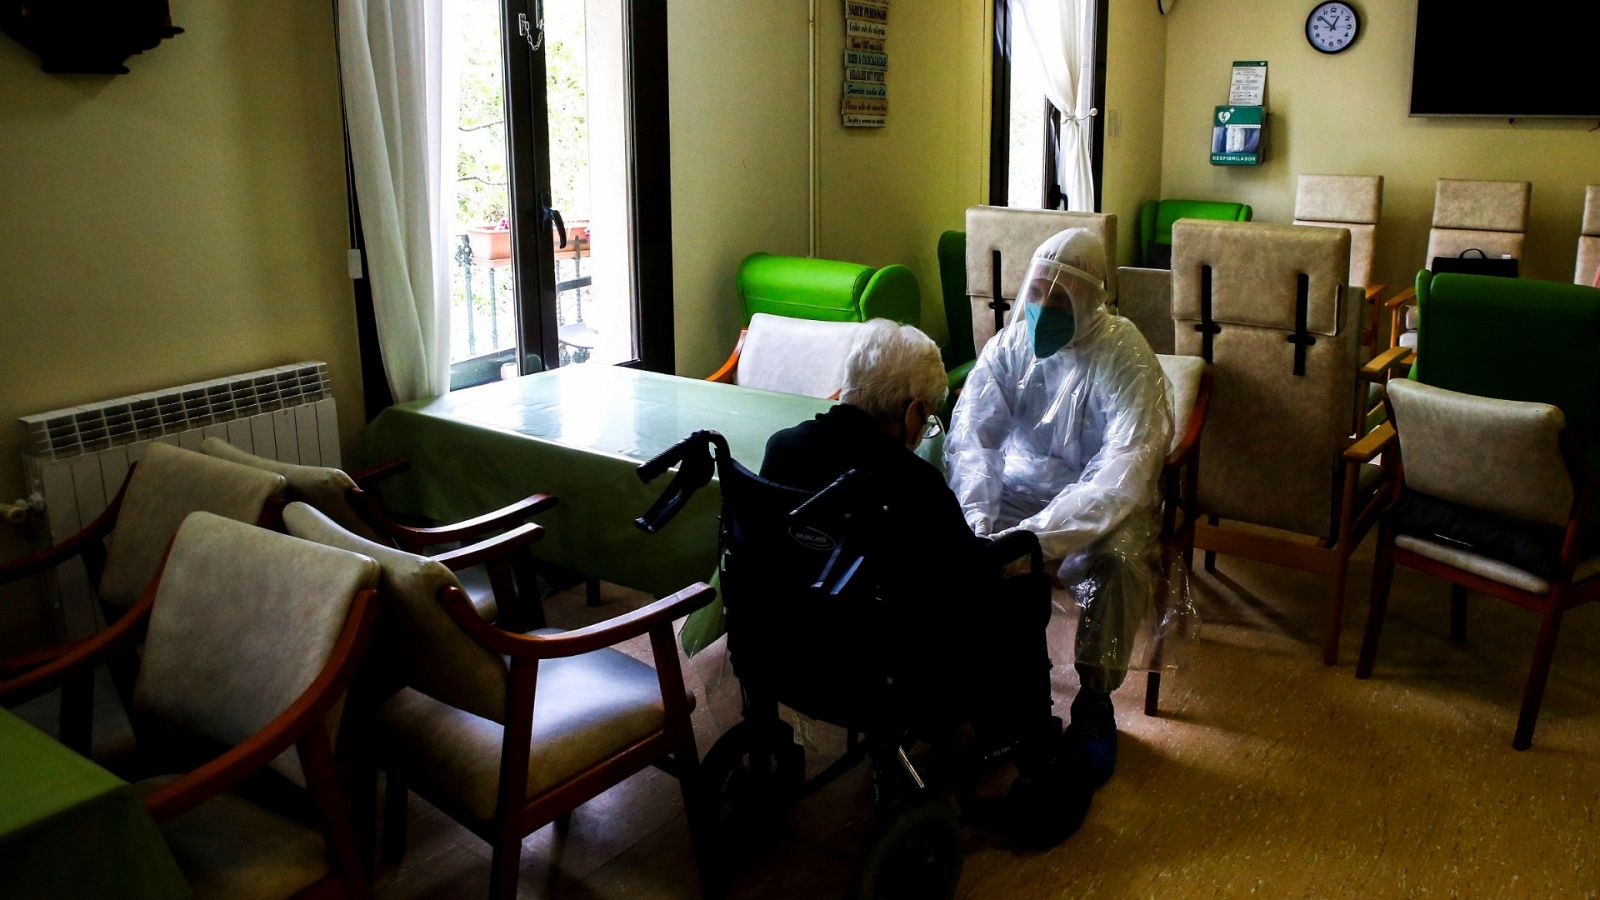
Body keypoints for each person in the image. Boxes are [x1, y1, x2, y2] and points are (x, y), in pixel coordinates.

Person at [761, 318, 1088, 846]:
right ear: (913, 411)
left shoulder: (784, 449)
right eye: (928, 419)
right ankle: (1027, 746)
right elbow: (965, 583)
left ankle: (948, 729)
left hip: (790, 650)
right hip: (880, 667)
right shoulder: (911, 483)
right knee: (1019, 584)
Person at [945, 227, 1172, 791]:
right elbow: (972, 438)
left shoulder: (1126, 357)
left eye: (1060, 297)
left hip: (1102, 505)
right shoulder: (1011, 346)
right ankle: (989, 683)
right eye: (1038, 291)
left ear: (1093, 299)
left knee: (1118, 561)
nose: (1042, 308)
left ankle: (1094, 702)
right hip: (1027, 491)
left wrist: (1036, 540)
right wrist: (978, 526)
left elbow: (1124, 473)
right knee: (953, 540)